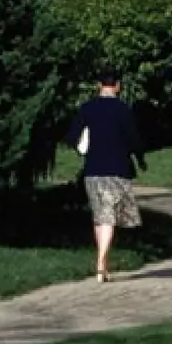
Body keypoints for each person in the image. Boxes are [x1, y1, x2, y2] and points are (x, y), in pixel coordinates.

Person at [70, 68, 147, 282]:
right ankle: (101, 262)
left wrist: (82, 148)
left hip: (93, 169)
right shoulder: (123, 110)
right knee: (109, 218)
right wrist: (141, 160)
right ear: (118, 86)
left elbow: (73, 137)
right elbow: (134, 141)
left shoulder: (87, 109)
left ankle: (102, 263)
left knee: (100, 217)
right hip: (117, 169)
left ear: (98, 86)